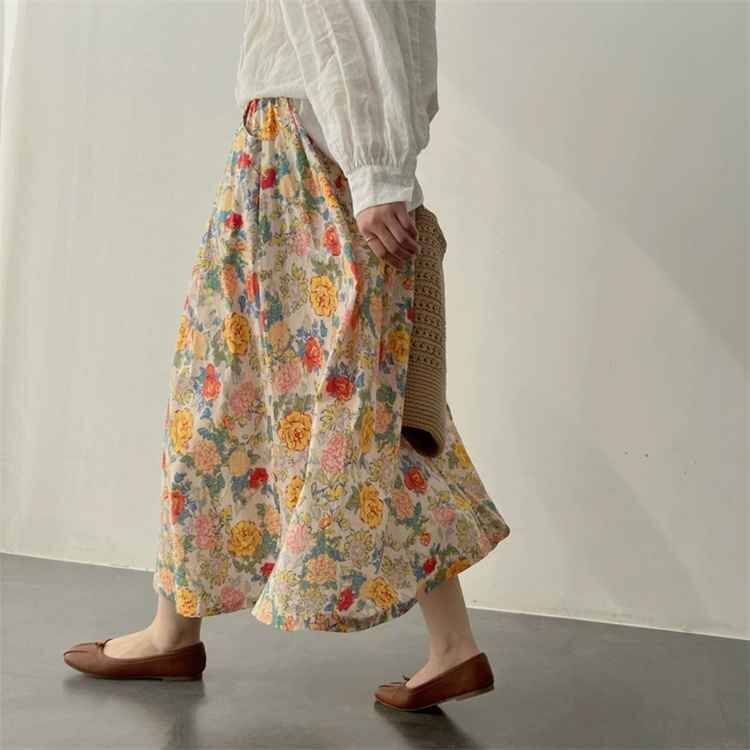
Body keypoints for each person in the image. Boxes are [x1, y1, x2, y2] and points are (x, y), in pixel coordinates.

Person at [62, 0, 511, 711]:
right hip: (324, 152)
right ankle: (450, 646)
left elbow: (340, 18)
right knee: (351, 403)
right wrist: (384, 166)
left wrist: (376, 171)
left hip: (298, 158)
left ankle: (174, 632)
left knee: (233, 391)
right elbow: (404, 43)